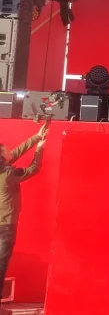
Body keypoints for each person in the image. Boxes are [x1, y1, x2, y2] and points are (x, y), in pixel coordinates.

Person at [0, 124, 48, 289]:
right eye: (6, 149)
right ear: (2, 156)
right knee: (1, 264)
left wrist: (37, 137)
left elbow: (16, 153)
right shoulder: (9, 174)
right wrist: (40, 148)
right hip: (5, 226)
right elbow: (33, 169)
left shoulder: (4, 171)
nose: (10, 150)